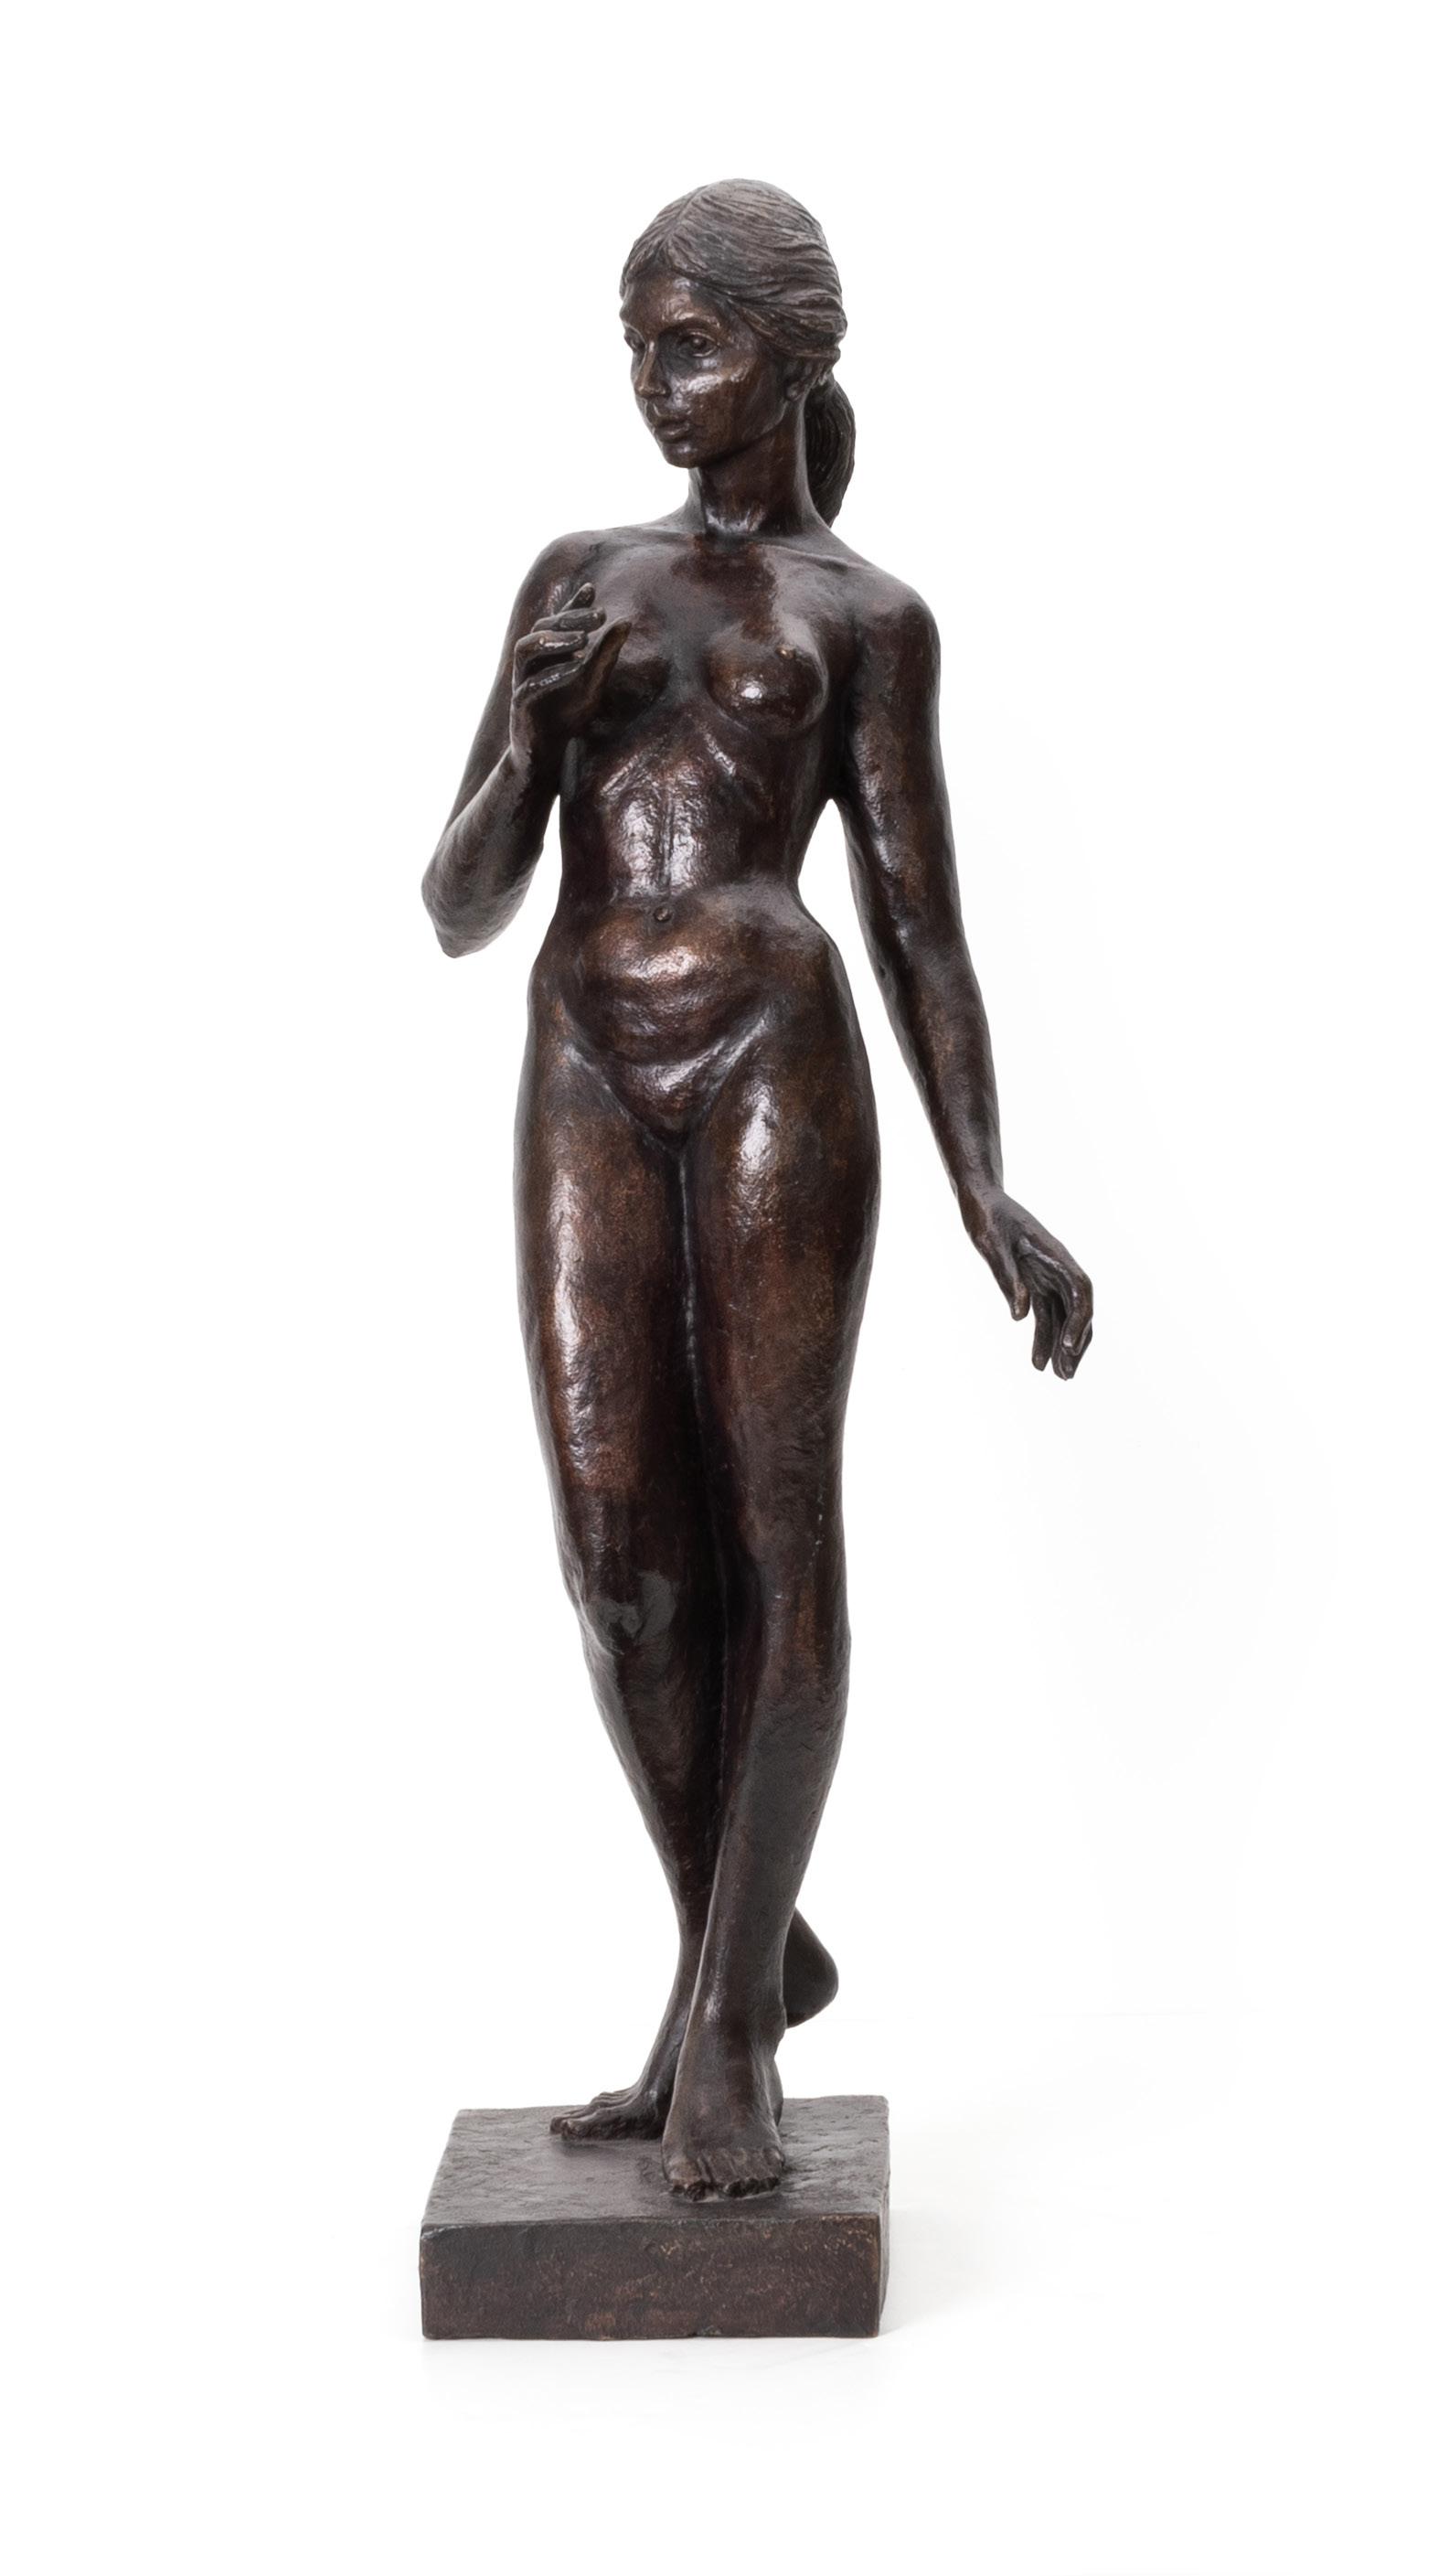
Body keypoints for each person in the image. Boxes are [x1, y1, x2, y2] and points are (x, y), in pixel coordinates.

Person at [421, 179, 1092, 2197]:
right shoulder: (576, 576)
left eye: (690, 338)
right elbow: (455, 903)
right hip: (579, 1051)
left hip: (774, 1060)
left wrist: (986, 1184)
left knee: (773, 1522)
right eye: (635, 339)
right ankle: (749, 1940)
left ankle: (721, 2022)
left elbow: (918, 924)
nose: (654, 376)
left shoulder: (867, 619)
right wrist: (527, 740)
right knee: (618, 1552)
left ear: (795, 353)